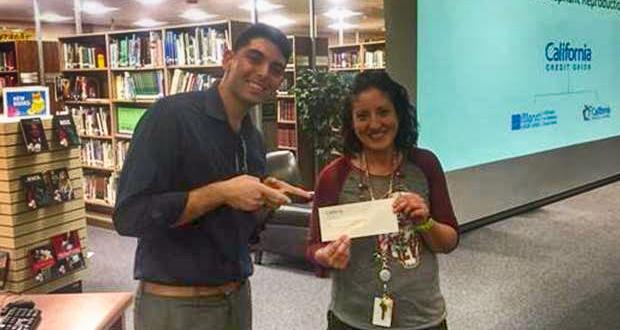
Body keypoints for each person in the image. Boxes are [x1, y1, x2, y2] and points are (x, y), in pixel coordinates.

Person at [113, 23, 312, 330]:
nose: (263, 73)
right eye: (254, 58)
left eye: (275, 68)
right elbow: (130, 216)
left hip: (236, 299)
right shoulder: (170, 117)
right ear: (228, 58)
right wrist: (220, 192)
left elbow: (238, 230)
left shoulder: (253, 138)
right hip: (177, 306)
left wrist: (263, 200)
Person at [306, 71, 459, 330]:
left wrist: (425, 222)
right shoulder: (334, 176)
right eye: (362, 116)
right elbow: (313, 247)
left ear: (398, 114)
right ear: (351, 123)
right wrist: (325, 255)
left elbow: (449, 241)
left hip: (421, 319)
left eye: (383, 112)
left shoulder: (425, 165)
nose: (374, 124)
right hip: (353, 319)